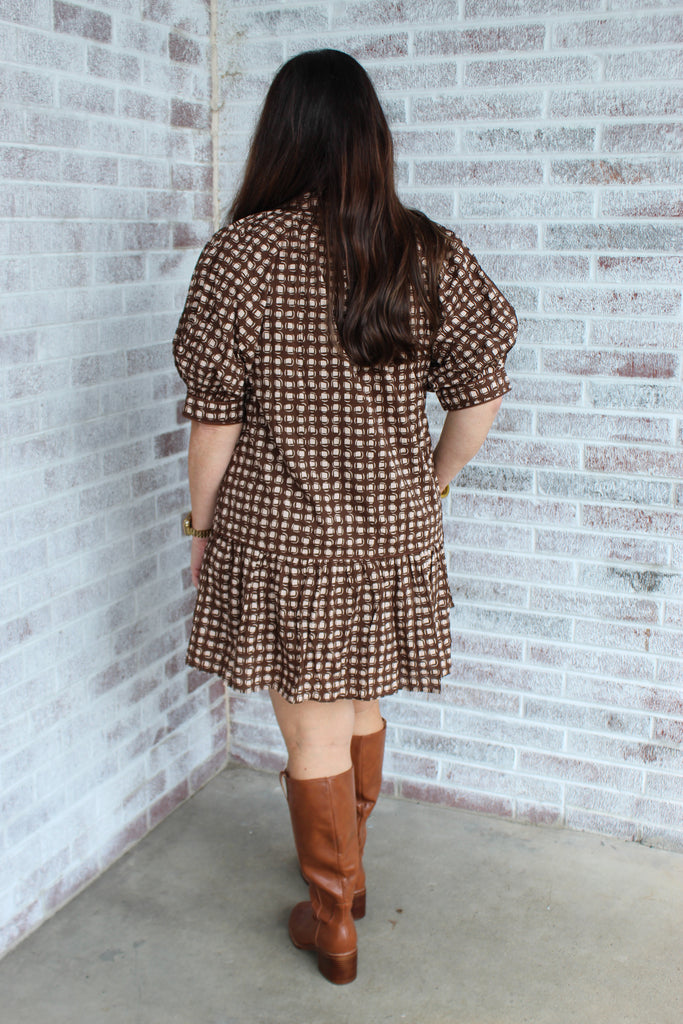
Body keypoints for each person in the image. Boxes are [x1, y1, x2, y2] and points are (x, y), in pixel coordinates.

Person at [173, 49, 516, 985]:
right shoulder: (425, 249)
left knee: (312, 733)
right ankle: (350, 881)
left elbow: (214, 422)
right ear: (371, 134)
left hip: (283, 540)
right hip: (391, 537)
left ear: (280, 136)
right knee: (360, 702)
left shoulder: (240, 254)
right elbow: (479, 397)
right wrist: (431, 485)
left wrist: (201, 527)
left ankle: (331, 923)